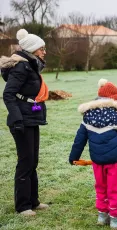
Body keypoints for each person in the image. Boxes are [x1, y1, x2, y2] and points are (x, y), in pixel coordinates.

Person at [1, 29, 49, 216]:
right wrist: (16, 119)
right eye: (42, 48)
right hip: (21, 121)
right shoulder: (21, 67)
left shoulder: (30, 65)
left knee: (33, 161)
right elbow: (8, 94)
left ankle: (33, 201)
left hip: (31, 118)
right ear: (32, 49)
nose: (44, 52)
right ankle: (23, 206)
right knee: (25, 162)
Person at [69, 79, 117, 229]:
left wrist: (74, 156)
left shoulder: (88, 115)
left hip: (97, 161)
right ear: (113, 99)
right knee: (116, 187)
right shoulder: (116, 115)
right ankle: (115, 219)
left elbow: (79, 139)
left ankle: (102, 215)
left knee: (101, 186)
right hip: (114, 160)